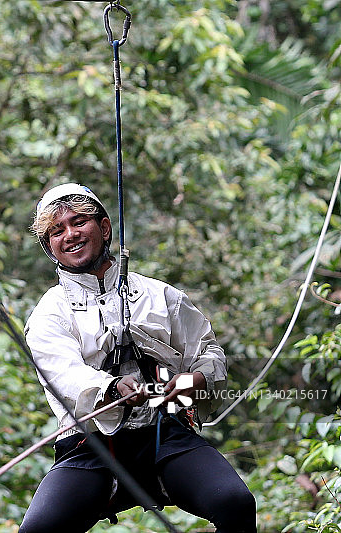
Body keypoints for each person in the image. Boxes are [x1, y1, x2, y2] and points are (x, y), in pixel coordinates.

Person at [18, 183, 256, 532]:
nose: (69, 234)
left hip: (166, 432)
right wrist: (112, 389)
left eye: (78, 222)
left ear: (104, 227)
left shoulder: (160, 295)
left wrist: (194, 380)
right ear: (49, 246)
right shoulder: (49, 313)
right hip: (90, 443)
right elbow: (63, 374)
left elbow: (208, 352)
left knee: (235, 503)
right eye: (57, 230)